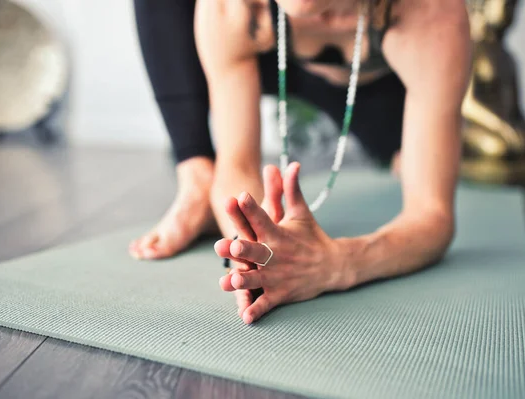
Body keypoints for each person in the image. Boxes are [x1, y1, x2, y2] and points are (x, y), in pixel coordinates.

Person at [130, 0, 472, 324]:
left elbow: (431, 216)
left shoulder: (429, 14)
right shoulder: (234, 9)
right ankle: (197, 180)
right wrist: (254, 247)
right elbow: (237, 165)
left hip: (378, 88)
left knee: (414, 163)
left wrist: (335, 263)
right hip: (273, 51)